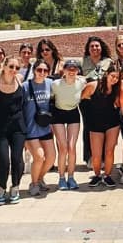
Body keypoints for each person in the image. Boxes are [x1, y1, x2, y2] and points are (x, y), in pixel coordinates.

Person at [0, 56, 26, 205]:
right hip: (0, 127)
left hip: (18, 127)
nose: (14, 70)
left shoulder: (20, 80)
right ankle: (1, 187)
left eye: (16, 67)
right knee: (3, 160)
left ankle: (15, 187)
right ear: (4, 66)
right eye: (11, 67)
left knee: (17, 158)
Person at [82, 64, 121, 187]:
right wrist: (88, 120)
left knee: (109, 151)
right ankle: (97, 175)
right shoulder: (93, 86)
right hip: (95, 123)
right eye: (112, 76)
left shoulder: (117, 89)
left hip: (112, 123)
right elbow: (82, 101)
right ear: (106, 74)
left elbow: (118, 104)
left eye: (117, 77)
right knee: (96, 154)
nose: (114, 79)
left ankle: (107, 175)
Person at [22, 59, 56, 196]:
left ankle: (40, 178)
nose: (42, 73)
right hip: (30, 129)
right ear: (34, 70)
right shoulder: (25, 86)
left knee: (51, 157)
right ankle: (34, 183)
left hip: (45, 127)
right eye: (39, 70)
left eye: (45, 70)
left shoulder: (50, 84)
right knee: (39, 157)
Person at [50, 59, 86, 191]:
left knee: (71, 147)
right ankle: (61, 178)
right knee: (63, 147)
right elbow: (51, 98)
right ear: (63, 70)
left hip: (73, 113)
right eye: (69, 69)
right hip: (58, 114)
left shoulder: (81, 83)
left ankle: (71, 177)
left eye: (74, 69)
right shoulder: (55, 84)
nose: (71, 71)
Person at [80, 36, 113, 166]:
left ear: (101, 48)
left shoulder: (108, 62)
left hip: (103, 99)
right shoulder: (83, 62)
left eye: (97, 46)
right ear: (88, 49)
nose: (95, 48)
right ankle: (89, 157)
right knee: (88, 127)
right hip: (87, 99)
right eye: (92, 46)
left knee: (102, 127)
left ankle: (103, 158)